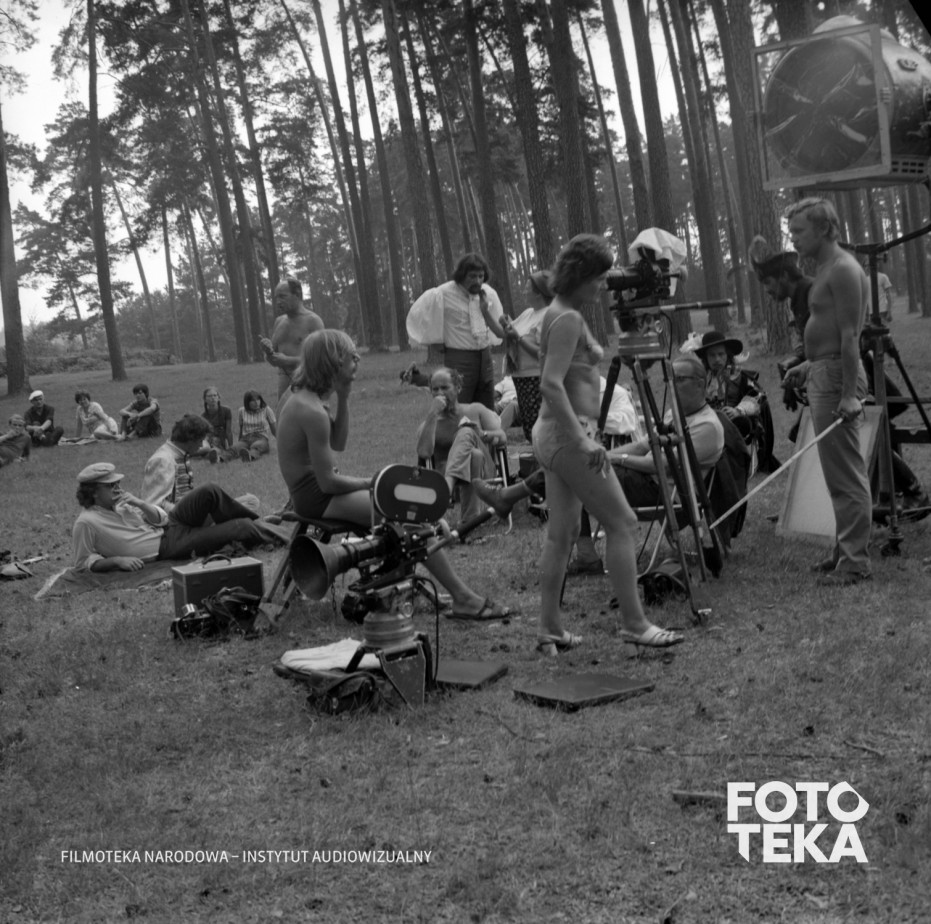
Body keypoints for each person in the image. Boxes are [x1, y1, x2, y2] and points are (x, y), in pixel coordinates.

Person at [474, 234, 683, 654]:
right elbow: (550, 383)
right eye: (599, 277)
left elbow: (559, 366)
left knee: (562, 533)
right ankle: (634, 623)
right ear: (580, 275)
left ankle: (549, 628)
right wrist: (582, 441)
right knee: (622, 523)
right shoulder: (567, 317)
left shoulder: (560, 311)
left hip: (552, 433)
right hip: (567, 435)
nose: (605, 285)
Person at [277, 329, 509, 620]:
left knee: (405, 507)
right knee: (407, 516)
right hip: (316, 497)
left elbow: (338, 442)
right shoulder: (310, 410)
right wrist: (374, 483)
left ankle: (417, 587)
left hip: (315, 491)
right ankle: (463, 598)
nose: (358, 359)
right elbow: (328, 483)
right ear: (333, 362)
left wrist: (344, 396)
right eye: (351, 356)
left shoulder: (306, 398)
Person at [782, 197, 873, 585]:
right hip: (825, 371)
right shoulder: (823, 268)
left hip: (839, 378)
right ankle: (843, 551)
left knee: (847, 473)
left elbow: (851, 336)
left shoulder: (844, 269)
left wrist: (849, 393)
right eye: (791, 232)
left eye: (799, 231)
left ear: (823, 228)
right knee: (836, 474)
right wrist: (808, 365)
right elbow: (831, 333)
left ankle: (855, 563)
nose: (793, 239)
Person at [71, 463, 282, 572]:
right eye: (111, 486)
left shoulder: (120, 505)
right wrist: (117, 561)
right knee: (240, 527)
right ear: (94, 492)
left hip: (171, 525)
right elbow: (82, 562)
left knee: (209, 491)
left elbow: (161, 519)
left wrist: (139, 503)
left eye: (117, 483)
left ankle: (259, 524)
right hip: (167, 546)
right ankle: (286, 535)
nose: (117, 488)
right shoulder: (87, 522)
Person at [406, 253, 507, 409]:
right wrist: (435, 341)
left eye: (481, 276)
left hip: (485, 358)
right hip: (459, 357)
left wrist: (485, 311)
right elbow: (422, 317)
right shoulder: (443, 293)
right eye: (472, 276)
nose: (477, 281)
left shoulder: (488, 293)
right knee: (458, 405)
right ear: (462, 275)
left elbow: (499, 327)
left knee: (486, 406)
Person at [415, 367, 506, 524]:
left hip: (484, 477)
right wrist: (432, 414)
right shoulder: (429, 424)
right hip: (445, 476)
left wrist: (481, 434)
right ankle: (470, 522)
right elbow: (424, 453)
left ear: (458, 388)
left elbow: (502, 438)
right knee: (474, 455)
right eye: (435, 389)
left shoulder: (475, 410)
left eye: (445, 387)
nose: (440, 393)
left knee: (466, 431)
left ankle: (447, 488)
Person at [141, 415, 261, 516]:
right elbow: (154, 503)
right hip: (181, 520)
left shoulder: (180, 453)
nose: (201, 446)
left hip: (192, 512)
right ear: (189, 440)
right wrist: (193, 512)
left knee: (251, 501)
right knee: (241, 510)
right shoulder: (163, 460)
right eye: (200, 441)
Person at [499, 270, 553, 441]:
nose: (523, 292)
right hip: (521, 379)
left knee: (539, 427)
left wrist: (518, 338)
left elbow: (543, 354)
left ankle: (545, 455)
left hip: (535, 379)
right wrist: (488, 312)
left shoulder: (548, 315)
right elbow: (505, 333)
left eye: (527, 288)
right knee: (529, 426)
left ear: (538, 293)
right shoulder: (528, 313)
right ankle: (537, 455)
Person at [259, 277, 324, 402]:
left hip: (308, 384)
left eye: (282, 296)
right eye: (276, 298)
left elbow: (321, 361)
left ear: (297, 295)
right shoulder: (279, 322)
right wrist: (267, 351)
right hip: (284, 388)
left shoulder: (313, 321)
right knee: (283, 414)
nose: (278, 302)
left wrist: (288, 361)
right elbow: (273, 361)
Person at [694, 331, 762, 442]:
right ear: (706, 357)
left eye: (721, 354)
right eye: (712, 355)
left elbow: (757, 397)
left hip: (735, 428)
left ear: (727, 355)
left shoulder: (740, 377)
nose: (717, 359)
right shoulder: (700, 380)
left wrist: (738, 411)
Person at [230, 390, 276, 462]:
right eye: (253, 401)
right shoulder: (241, 411)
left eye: (258, 400)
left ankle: (249, 456)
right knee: (234, 449)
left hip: (261, 437)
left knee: (256, 446)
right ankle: (219, 458)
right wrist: (239, 442)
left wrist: (281, 442)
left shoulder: (266, 409)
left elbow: (274, 429)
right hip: (246, 438)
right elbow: (241, 428)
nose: (256, 403)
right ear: (247, 402)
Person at [199, 386, 234, 463]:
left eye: (215, 395)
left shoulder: (226, 411)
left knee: (213, 450)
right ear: (205, 399)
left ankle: (213, 454)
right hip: (207, 441)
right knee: (204, 448)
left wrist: (231, 448)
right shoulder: (203, 416)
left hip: (219, 442)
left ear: (219, 398)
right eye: (209, 396)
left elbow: (228, 431)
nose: (213, 398)